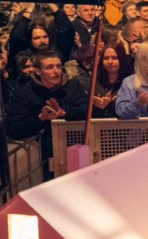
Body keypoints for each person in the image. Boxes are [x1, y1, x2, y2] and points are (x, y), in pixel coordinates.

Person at [6, 49, 89, 179]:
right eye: (50, 67)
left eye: (58, 66)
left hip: (72, 148)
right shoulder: (24, 93)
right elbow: (13, 127)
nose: (56, 71)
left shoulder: (73, 86)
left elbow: (87, 110)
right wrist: (41, 118)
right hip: (40, 158)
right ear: (38, 71)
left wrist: (64, 113)